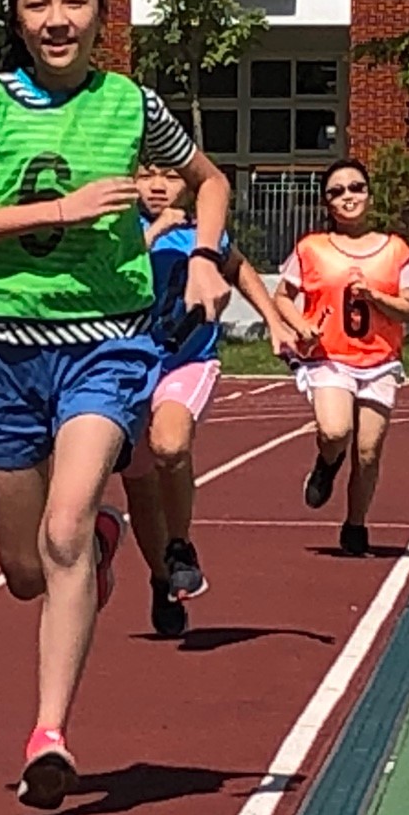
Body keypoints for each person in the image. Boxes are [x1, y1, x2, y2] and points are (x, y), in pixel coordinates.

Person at [0, 0, 232, 811]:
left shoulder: (133, 104)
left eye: (74, 3)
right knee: (27, 569)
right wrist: (63, 208)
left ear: (102, 14)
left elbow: (210, 180)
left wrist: (204, 256)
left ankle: (48, 736)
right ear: (16, 18)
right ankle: (101, 541)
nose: (57, 20)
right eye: (38, 5)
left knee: (61, 532)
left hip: (105, 346)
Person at [122, 164, 296, 636]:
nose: (157, 186)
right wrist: (155, 231)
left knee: (170, 445)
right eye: (145, 176)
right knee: (139, 483)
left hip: (187, 360)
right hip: (128, 365)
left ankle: (180, 545)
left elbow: (236, 267)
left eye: (170, 177)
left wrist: (274, 322)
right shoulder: (121, 228)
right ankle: (162, 578)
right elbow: (108, 272)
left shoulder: (202, 231)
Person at [272, 158, 409, 556]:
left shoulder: (395, 250)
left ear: (369, 195)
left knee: (369, 451)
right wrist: (299, 325)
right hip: (329, 357)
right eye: (337, 191)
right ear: (327, 202)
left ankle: (355, 525)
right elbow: (282, 297)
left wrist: (375, 297)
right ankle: (327, 463)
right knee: (336, 431)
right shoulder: (312, 248)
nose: (348, 197)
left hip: (380, 361)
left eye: (356, 187)